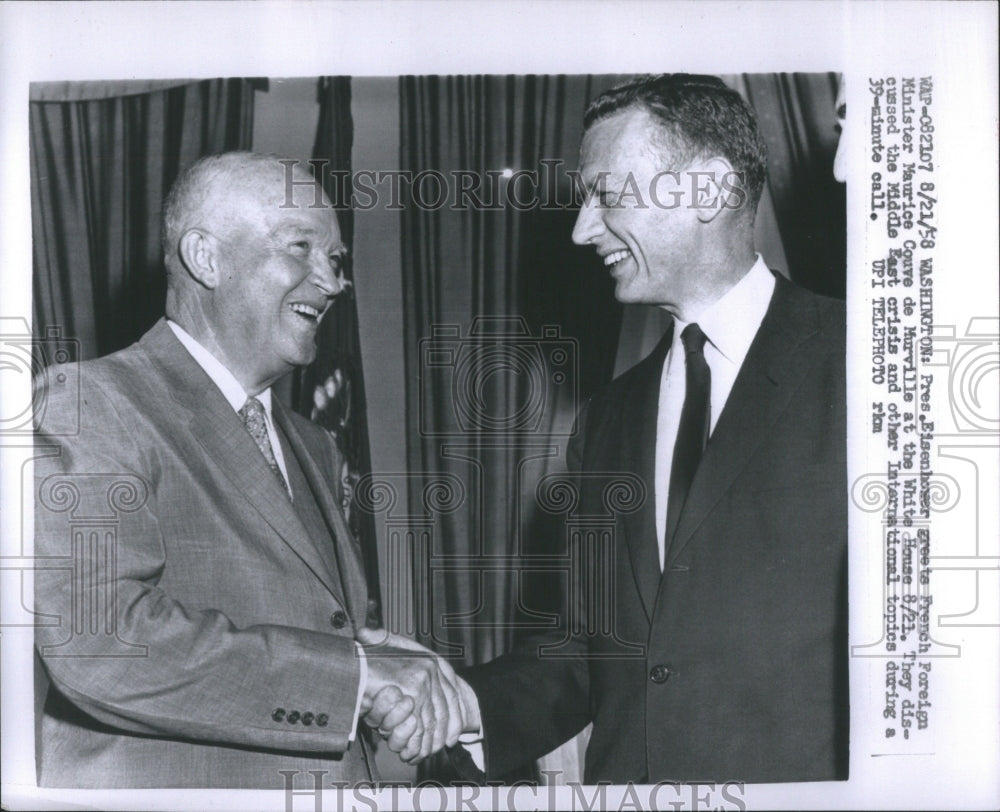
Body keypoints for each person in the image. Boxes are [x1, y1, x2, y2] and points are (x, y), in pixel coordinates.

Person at [371, 74, 849, 784]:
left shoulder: (865, 362)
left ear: (710, 190)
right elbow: (587, 650)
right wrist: (458, 699)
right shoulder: (607, 419)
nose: (580, 229)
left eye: (608, 194)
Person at [32, 152, 468, 788]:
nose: (333, 281)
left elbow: (294, 624)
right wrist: (353, 677)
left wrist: (374, 658)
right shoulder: (87, 402)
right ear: (205, 257)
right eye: (301, 247)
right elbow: (102, 644)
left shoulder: (314, 446)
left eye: (337, 259)